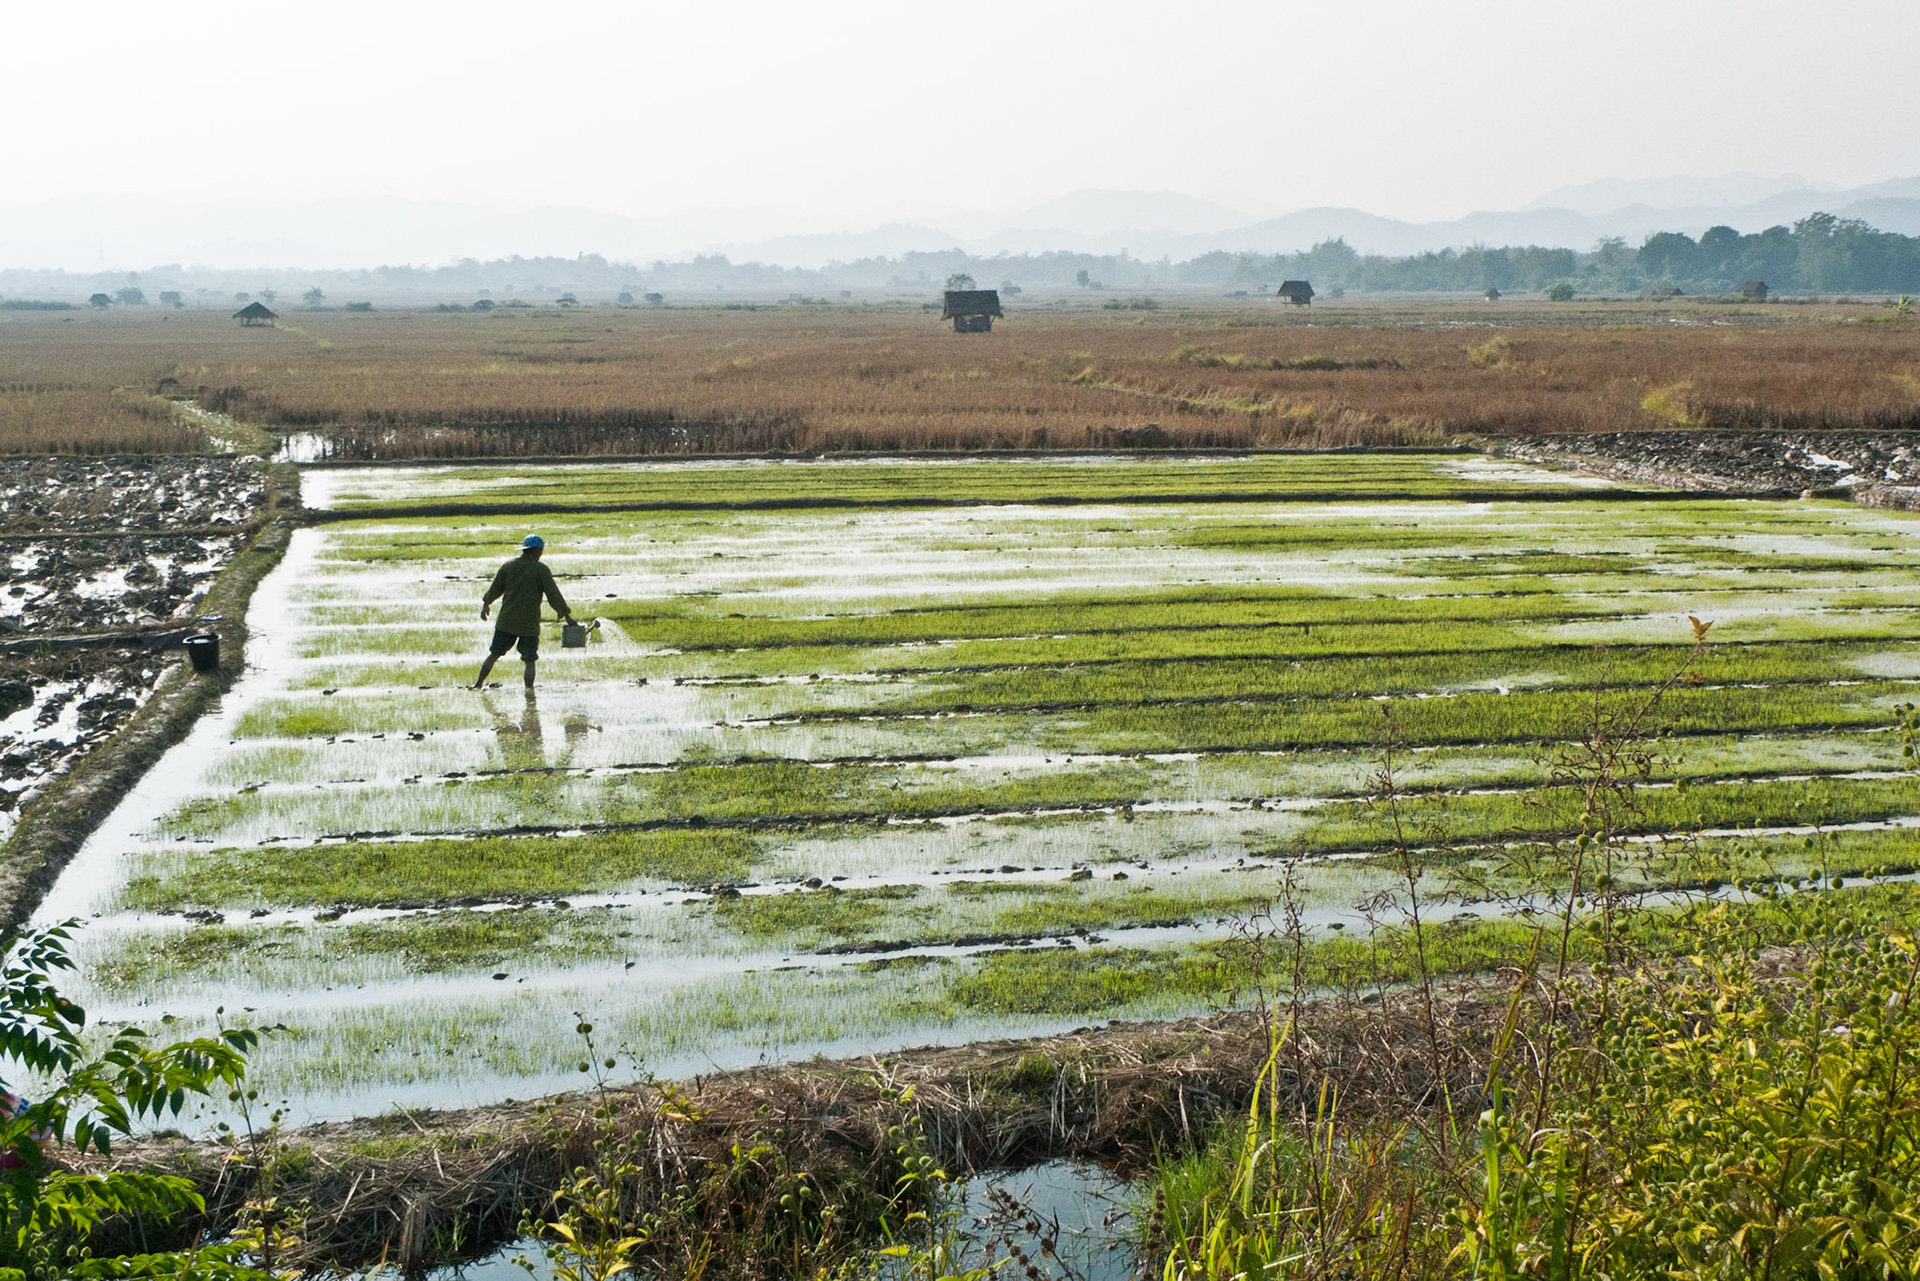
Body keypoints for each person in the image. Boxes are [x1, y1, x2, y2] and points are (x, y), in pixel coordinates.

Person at [473, 534, 575, 690]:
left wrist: (486, 604)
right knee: (529, 660)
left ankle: (478, 684)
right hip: (529, 623)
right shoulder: (540, 570)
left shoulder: (508, 566)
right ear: (537, 550)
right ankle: (529, 691)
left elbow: (495, 589)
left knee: (494, 655)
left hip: (507, 621)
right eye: (541, 551)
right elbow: (553, 594)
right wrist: (566, 616)